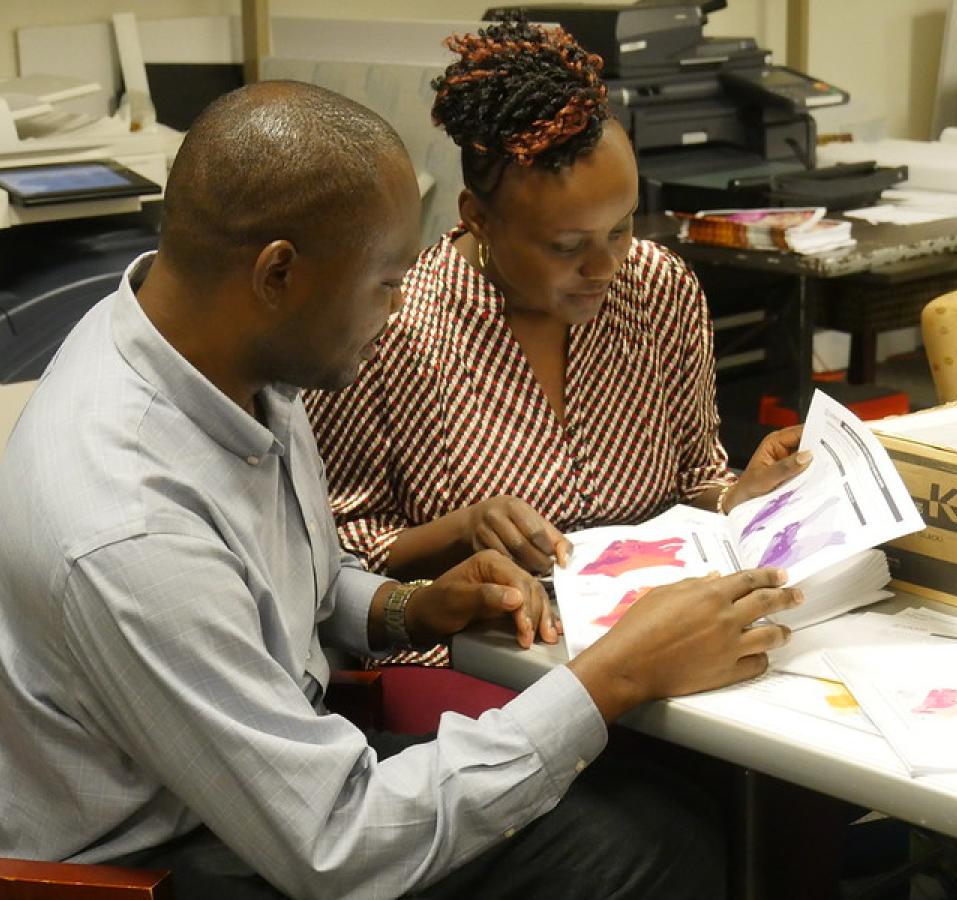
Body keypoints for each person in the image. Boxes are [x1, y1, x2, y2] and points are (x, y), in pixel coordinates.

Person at [0, 81, 801, 900]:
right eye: (387, 282)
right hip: (157, 866)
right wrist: (614, 676)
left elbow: (294, 586)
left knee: (661, 809)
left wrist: (415, 608)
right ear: (278, 274)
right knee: (642, 855)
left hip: (248, 800)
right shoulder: (129, 528)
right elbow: (339, 846)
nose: (399, 309)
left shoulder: (219, 360)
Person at [305, 21, 808, 675]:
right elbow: (338, 555)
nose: (604, 267)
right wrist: (461, 529)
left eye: (621, 230)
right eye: (567, 247)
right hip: (477, 666)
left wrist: (739, 497)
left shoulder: (657, 290)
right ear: (479, 219)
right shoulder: (392, 329)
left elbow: (693, 481)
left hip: (657, 645)